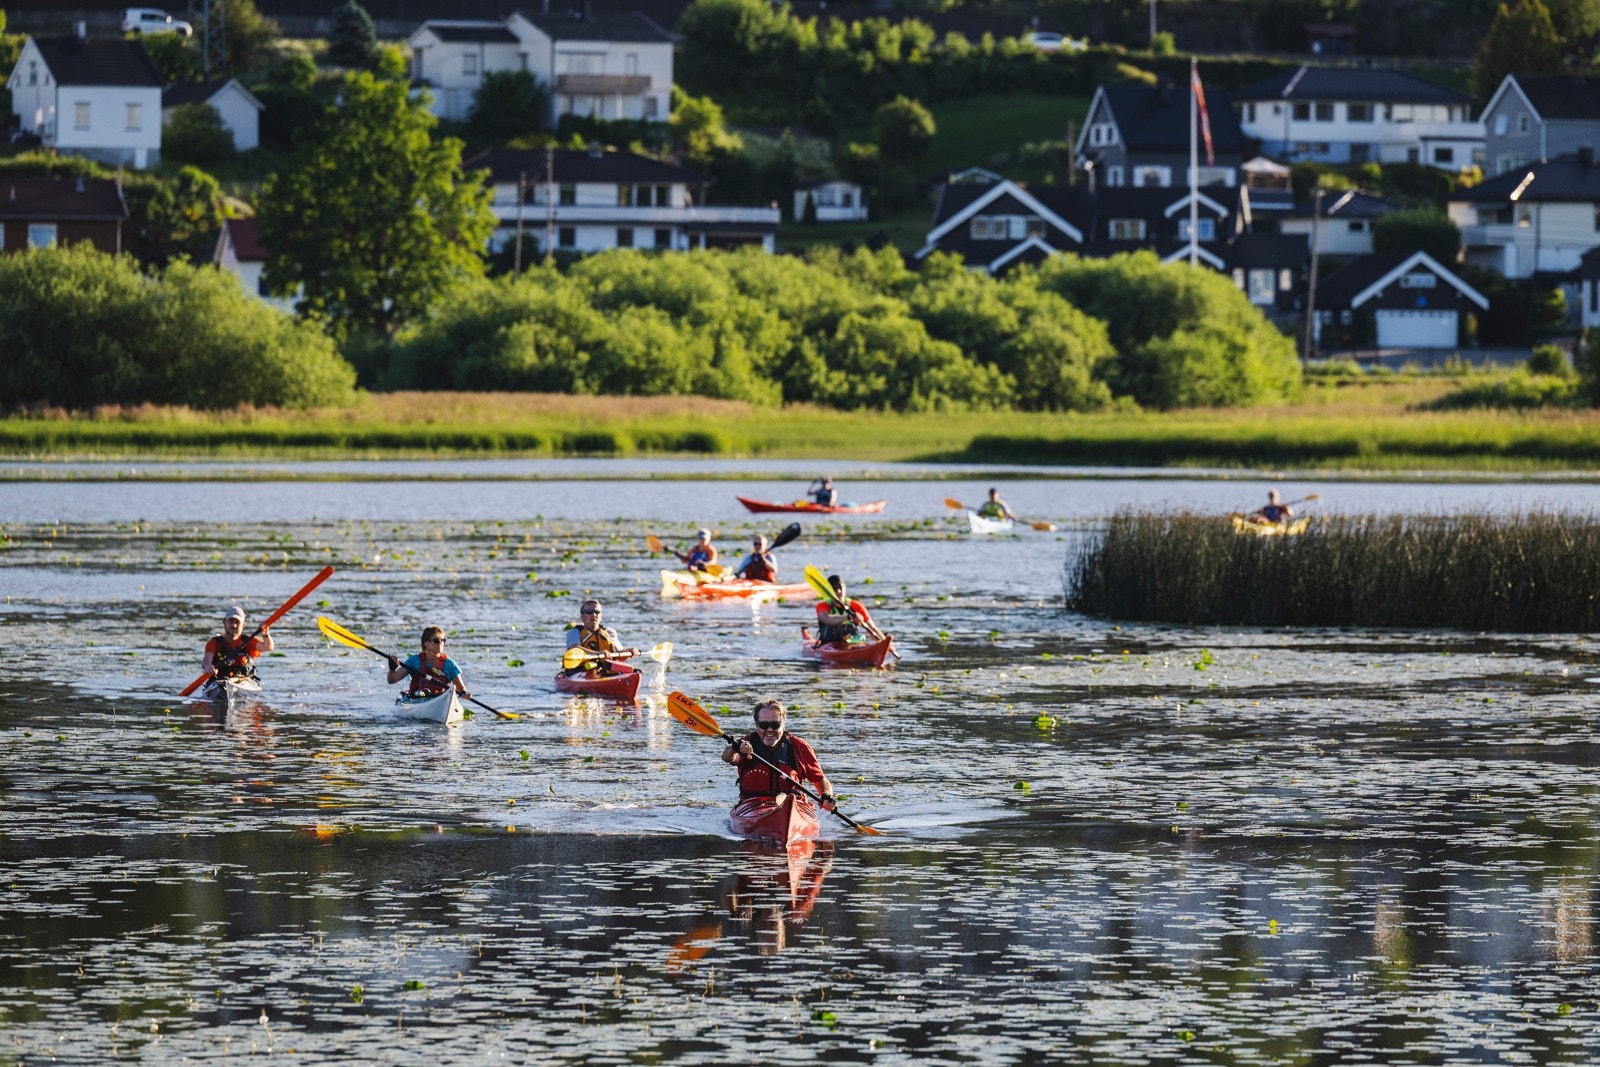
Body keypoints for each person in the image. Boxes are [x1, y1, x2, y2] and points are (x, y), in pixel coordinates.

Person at [721, 700, 836, 812]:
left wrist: (826, 795)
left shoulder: (800, 746)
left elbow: (819, 780)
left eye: (775, 725)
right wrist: (734, 748)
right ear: (756, 725)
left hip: (793, 806)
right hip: (753, 806)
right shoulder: (745, 744)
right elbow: (728, 757)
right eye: (764, 725)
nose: (770, 730)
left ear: (784, 723)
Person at [386, 625, 471, 698]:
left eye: (443, 640)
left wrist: (464, 694)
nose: (440, 643)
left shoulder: (450, 664)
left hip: (440, 698)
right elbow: (392, 680)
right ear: (426, 643)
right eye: (436, 641)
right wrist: (392, 669)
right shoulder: (414, 661)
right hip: (417, 698)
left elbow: (461, 689)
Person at [564, 599, 643, 674]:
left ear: (600, 616)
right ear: (582, 616)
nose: (594, 615)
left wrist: (629, 651)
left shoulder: (609, 632)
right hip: (582, 670)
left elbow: (619, 653)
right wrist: (598, 653)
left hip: (606, 669)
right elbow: (574, 648)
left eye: (597, 612)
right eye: (589, 612)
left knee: (636, 671)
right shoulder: (575, 632)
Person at [201, 606, 274, 681]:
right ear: (224, 622)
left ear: (243, 625)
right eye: (231, 621)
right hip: (219, 682)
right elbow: (206, 659)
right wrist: (208, 667)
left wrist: (266, 635)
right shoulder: (214, 643)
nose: (234, 625)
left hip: (244, 682)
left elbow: (268, 647)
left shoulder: (249, 641)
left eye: (237, 622)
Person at [813, 574, 874, 645]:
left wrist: (885, 643)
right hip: (828, 643)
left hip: (850, 643)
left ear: (845, 588)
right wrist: (848, 617)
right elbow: (825, 619)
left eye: (840, 588)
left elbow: (873, 628)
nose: (838, 591)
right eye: (834, 589)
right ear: (829, 592)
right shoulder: (822, 606)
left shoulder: (856, 606)